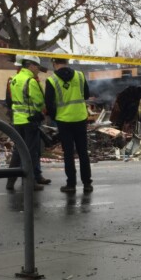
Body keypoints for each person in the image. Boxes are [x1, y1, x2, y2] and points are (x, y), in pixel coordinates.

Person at [45, 57, 93, 193]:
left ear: (54, 63)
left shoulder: (51, 80)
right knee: (83, 152)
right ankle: (87, 184)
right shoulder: (79, 75)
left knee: (68, 154)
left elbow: (49, 104)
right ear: (67, 61)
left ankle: (71, 185)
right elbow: (87, 95)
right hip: (80, 118)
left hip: (63, 121)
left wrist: (56, 117)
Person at [5, 55, 51, 191]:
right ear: (31, 65)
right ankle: (29, 182)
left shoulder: (14, 79)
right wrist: (40, 111)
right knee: (31, 152)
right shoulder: (30, 81)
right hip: (30, 121)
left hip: (17, 121)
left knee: (18, 151)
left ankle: (10, 181)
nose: (38, 70)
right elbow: (39, 101)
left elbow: (11, 100)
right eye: (37, 67)